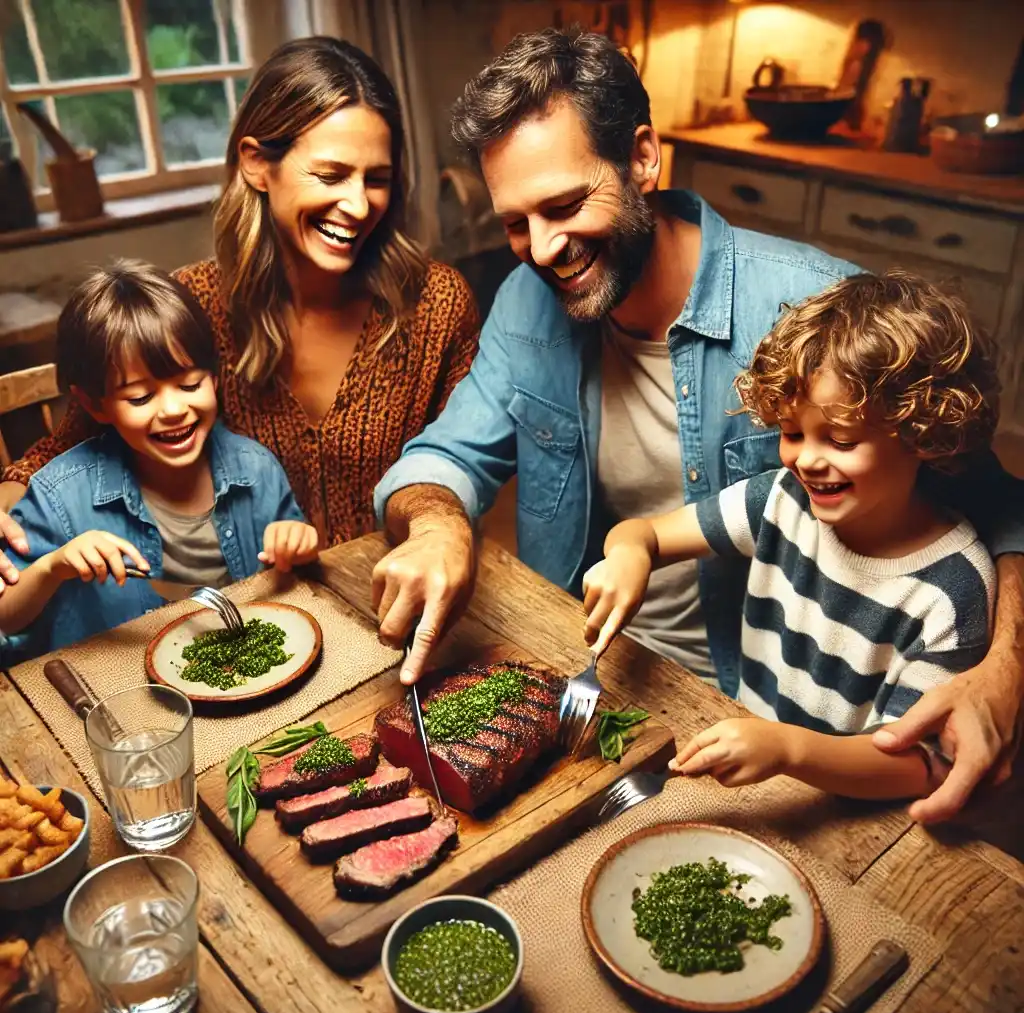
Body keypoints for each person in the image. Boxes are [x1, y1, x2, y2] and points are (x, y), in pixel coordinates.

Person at [368, 27, 1024, 824]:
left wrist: (1007, 667)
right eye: (516, 222)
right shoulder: (523, 304)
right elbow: (444, 457)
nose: (542, 249)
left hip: (750, 700)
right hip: (586, 668)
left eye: (567, 205)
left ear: (643, 157)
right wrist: (438, 523)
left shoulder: (817, 317)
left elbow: (996, 504)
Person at [0, 36, 479, 557]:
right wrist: (8, 497)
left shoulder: (437, 305)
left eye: (378, 179)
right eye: (330, 174)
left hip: (393, 602)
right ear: (256, 163)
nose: (359, 204)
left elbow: (468, 461)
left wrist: (439, 523)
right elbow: (77, 438)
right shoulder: (191, 304)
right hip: (257, 618)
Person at [582, 271, 996, 799]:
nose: (806, 459)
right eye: (791, 433)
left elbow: (919, 764)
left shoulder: (953, 590)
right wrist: (629, 555)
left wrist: (788, 749)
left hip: (851, 808)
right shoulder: (782, 500)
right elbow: (645, 535)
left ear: (922, 434)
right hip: (753, 766)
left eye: (841, 439)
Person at [0, 261, 318, 662]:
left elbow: (298, 565)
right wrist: (52, 567)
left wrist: (299, 543)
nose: (173, 409)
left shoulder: (256, 470)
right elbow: (6, 619)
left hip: (238, 671)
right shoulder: (59, 498)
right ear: (94, 405)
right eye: (140, 397)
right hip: (116, 687)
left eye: (190, 384)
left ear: (215, 378)